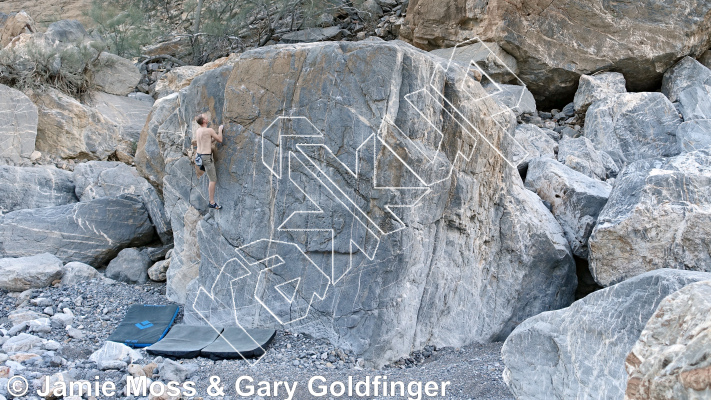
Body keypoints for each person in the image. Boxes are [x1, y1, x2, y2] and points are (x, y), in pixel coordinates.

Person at [195, 114, 224, 209]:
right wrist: (220, 129)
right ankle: (211, 202)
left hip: (199, 156)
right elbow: (220, 139)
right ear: (204, 121)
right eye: (205, 117)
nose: (207, 117)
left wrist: (212, 138)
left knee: (209, 175)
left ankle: (211, 200)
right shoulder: (209, 130)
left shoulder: (198, 130)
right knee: (213, 180)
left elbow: (205, 141)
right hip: (206, 158)